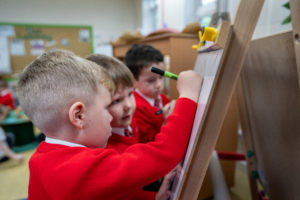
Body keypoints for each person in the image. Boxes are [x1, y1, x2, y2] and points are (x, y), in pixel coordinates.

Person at [16, 49, 202, 200]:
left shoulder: (42, 157)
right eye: (107, 107)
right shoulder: (79, 169)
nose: (110, 118)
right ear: (79, 116)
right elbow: (164, 153)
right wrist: (188, 95)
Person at [125, 44, 175, 143]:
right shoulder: (136, 107)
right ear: (133, 80)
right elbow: (151, 143)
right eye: (151, 80)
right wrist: (167, 121)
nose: (158, 85)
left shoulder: (162, 98)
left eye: (161, 77)